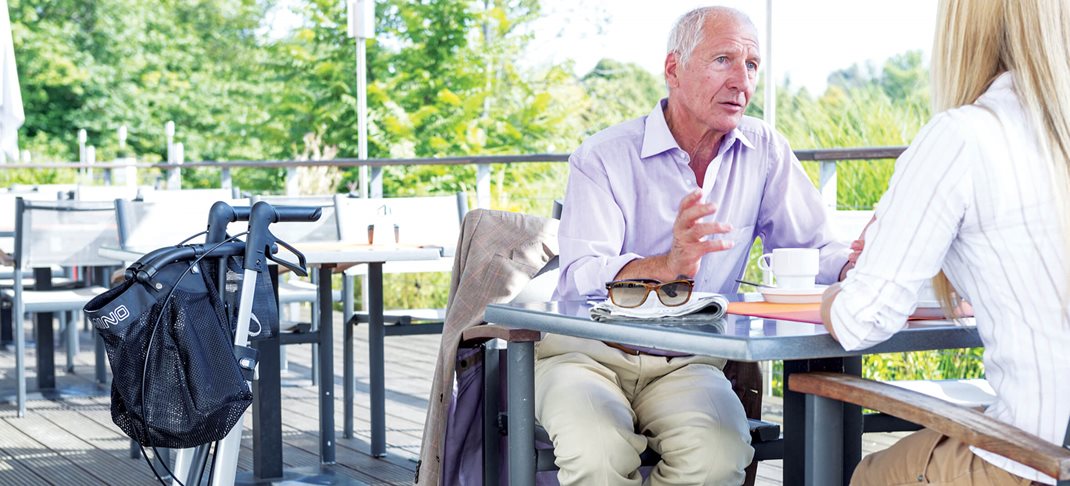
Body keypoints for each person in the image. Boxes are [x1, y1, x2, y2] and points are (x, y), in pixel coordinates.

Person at [542, 6, 851, 485]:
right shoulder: (602, 156)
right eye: (723, 59)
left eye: (751, 65)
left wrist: (855, 265)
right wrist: (669, 263)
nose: (741, 81)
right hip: (586, 355)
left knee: (720, 455)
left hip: (687, 361)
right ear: (673, 69)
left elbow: (811, 249)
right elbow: (578, 278)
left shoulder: (765, 149)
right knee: (599, 452)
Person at [821, 1, 1070, 484]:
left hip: (1038, 457)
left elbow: (861, 320)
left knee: (872, 474)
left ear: (961, 30)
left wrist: (833, 295)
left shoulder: (964, 136)